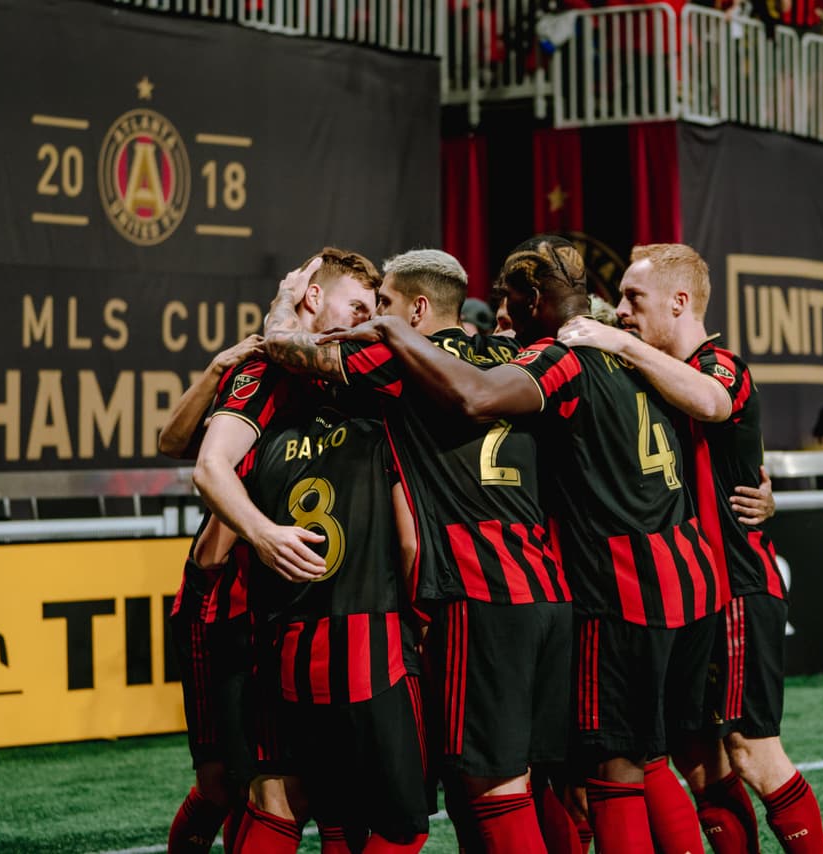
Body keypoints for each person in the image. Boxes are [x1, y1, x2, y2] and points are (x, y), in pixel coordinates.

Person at [321, 237, 722, 854]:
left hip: (603, 591)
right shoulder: (644, 354)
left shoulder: (560, 356)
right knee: (641, 762)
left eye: (511, 304)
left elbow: (476, 397)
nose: (504, 317)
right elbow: (717, 405)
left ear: (535, 299)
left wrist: (391, 336)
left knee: (579, 776)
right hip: (675, 580)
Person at [263, 249, 573, 854]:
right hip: (550, 591)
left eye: (385, 305)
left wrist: (281, 312)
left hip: (478, 593)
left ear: (419, 309)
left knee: (493, 791)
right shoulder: (516, 354)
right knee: (537, 786)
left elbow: (300, 354)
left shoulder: (399, 355)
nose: (376, 316)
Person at [557, 243, 823, 854]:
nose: (622, 311)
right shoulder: (648, 377)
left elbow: (713, 401)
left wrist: (615, 341)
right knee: (698, 758)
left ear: (680, 302)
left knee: (753, 755)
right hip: (687, 595)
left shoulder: (721, 363)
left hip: (737, 587)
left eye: (634, 299)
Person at [191, 248, 381, 850]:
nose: (362, 322)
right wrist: (262, 532)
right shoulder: (266, 368)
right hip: (242, 610)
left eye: (372, 312)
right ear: (313, 296)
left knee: (335, 788)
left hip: (330, 610)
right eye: (354, 306)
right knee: (251, 785)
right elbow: (202, 461)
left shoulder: (356, 374)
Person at [234, 406, 430, 854]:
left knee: (335, 818)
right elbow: (409, 542)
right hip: (372, 644)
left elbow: (210, 546)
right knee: (404, 827)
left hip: (292, 649)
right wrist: (424, 619)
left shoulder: (265, 438)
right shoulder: (380, 428)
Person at [157, 334, 265, 854]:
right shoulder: (256, 375)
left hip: (273, 610)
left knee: (271, 782)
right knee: (224, 784)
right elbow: (173, 443)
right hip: (215, 607)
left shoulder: (332, 379)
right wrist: (215, 370)